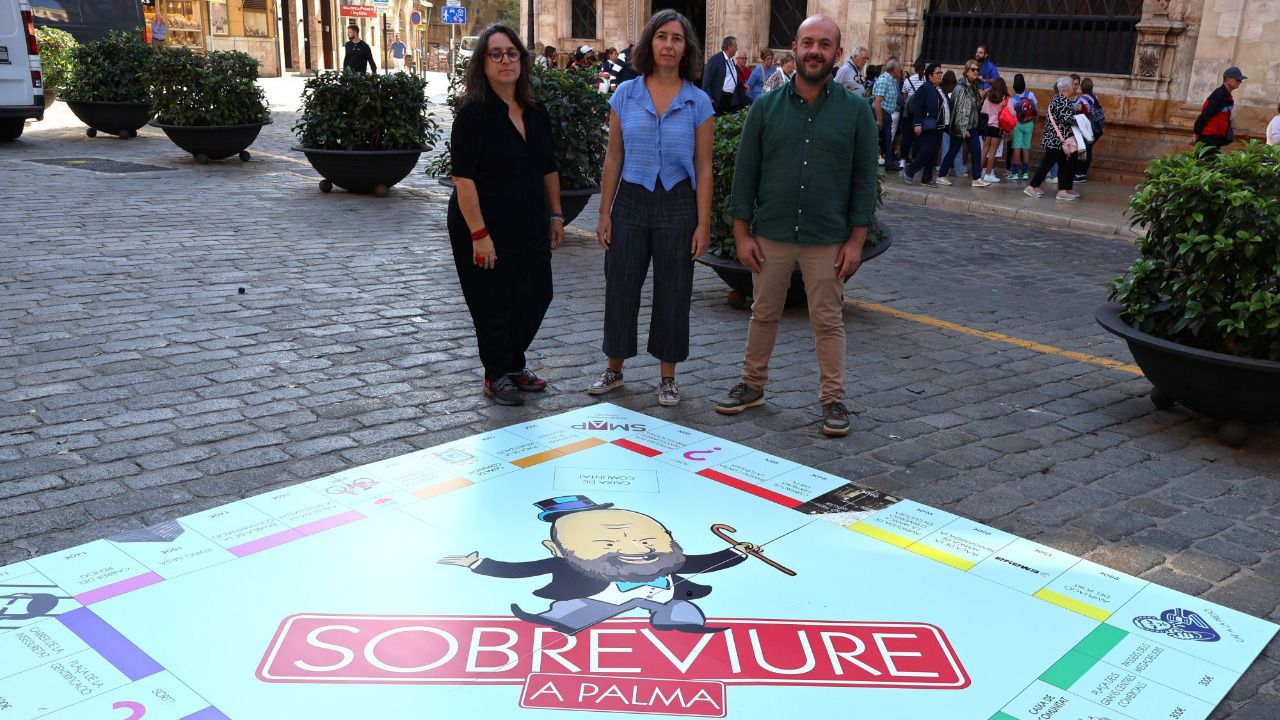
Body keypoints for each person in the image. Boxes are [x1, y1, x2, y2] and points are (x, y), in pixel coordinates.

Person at [720, 14, 879, 437]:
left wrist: (857, 241)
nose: (814, 51)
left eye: (824, 45)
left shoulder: (856, 111)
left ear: (837, 54)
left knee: (828, 320)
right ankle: (752, 385)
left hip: (827, 236)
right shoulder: (765, 107)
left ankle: (833, 399)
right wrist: (740, 233)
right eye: (808, 43)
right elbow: (745, 174)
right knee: (763, 312)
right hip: (770, 231)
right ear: (795, 48)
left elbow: (864, 181)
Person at [590, 10, 714, 406]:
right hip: (630, 200)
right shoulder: (625, 95)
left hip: (678, 204)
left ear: (686, 49)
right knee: (621, 285)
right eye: (662, 36)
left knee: (674, 291)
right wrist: (604, 212)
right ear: (649, 43)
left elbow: (704, 167)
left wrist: (703, 224)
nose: (668, 45)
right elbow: (613, 157)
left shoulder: (699, 102)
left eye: (677, 38)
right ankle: (614, 368)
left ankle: (667, 377)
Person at [448, 25, 565, 405]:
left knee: (537, 293)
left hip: (529, 219)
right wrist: (479, 234)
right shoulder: (473, 114)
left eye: (512, 53)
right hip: (484, 222)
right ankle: (497, 373)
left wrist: (556, 215)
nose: (505, 61)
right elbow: (463, 179)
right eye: (495, 54)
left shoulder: (536, 111)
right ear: (482, 64)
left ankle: (511, 362)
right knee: (493, 301)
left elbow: (548, 167)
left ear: (522, 60)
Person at [1025, 76, 1080, 201]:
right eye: (1072, 86)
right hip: (1055, 140)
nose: (1073, 88)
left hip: (1058, 141)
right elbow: (1067, 119)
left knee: (1063, 165)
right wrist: (1079, 120)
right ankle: (1031, 187)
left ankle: (1062, 191)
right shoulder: (1062, 101)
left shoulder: (1059, 99)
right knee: (1046, 164)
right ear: (1066, 88)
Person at [938, 60, 985, 187]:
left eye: (977, 70)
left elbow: (974, 106)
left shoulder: (973, 87)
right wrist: (963, 128)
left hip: (972, 125)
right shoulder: (961, 88)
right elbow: (958, 109)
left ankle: (976, 178)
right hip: (962, 126)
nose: (976, 72)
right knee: (953, 151)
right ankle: (941, 175)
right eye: (973, 69)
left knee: (976, 151)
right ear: (967, 71)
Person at [903, 63, 949, 188]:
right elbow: (918, 107)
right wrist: (917, 123)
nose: (940, 75)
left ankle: (927, 178)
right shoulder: (925, 89)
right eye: (937, 73)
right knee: (927, 151)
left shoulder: (939, 89)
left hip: (939, 126)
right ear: (930, 76)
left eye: (941, 73)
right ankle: (910, 170)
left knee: (933, 153)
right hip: (928, 126)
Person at [1194, 66, 1245, 148]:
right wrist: (1196, 133)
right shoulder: (1218, 95)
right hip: (1209, 137)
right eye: (1237, 80)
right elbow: (1205, 115)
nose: (1240, 82)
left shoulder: (1226, 95)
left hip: (1217, 137)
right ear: (1228, 79)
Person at [870, 58, 902, 172]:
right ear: (894, 69)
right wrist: (879, 119)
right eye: (899, 68)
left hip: (887, 113)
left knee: (887, 139)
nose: (900, 70)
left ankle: (888, 162)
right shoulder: (884, 80)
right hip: (881, 112)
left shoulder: (892, 80)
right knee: (881, 138)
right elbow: (877, 101)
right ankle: (885, 162)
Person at [702, 36, 745, 114]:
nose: (736, 49)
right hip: (719, 98)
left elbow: (732, 77)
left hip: (732, 98)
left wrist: (743, 84)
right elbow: (706, 80)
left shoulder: (731, 60)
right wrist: (709, 97)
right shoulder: (715, 60)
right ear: (729, 47)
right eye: (735, 46)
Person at [898, 59, 928, 167]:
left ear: (914, 68)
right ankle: (915, 159)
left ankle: (903, 160)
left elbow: (904, 97)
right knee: (918, 137)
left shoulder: (908, 80)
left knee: (906, 136)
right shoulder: (926, 80)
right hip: (921, 113)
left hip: (909, 112)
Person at [979, 77, 1008, 183]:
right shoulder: (1004, 99)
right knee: (992, 151)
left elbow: (983, 111)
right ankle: (988, 174)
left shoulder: (988, 98)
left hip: (987, 126)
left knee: (984, 150)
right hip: (997, 127)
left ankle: (979, 172)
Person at [1008, 74, 1036, 181]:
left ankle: (1015, 173)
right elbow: (1036, 110)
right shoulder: (1031, 95)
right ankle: (1025, 173)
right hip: (1029, 123)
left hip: (1017, 124)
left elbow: (1011, 115)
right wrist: (1033, 123)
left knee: (1017, 148)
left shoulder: (1012, 99)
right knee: (1026, 148)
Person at [1074, 77, 1101, 182]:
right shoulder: (1095, 97)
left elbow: (1080, 113)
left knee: (1082, 150)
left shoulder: (1082, 100)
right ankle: (1084, 173)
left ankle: (1078, 173)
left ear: (1082, 88)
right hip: (1096, 129)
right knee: (1088, 150)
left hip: (1087, 129)